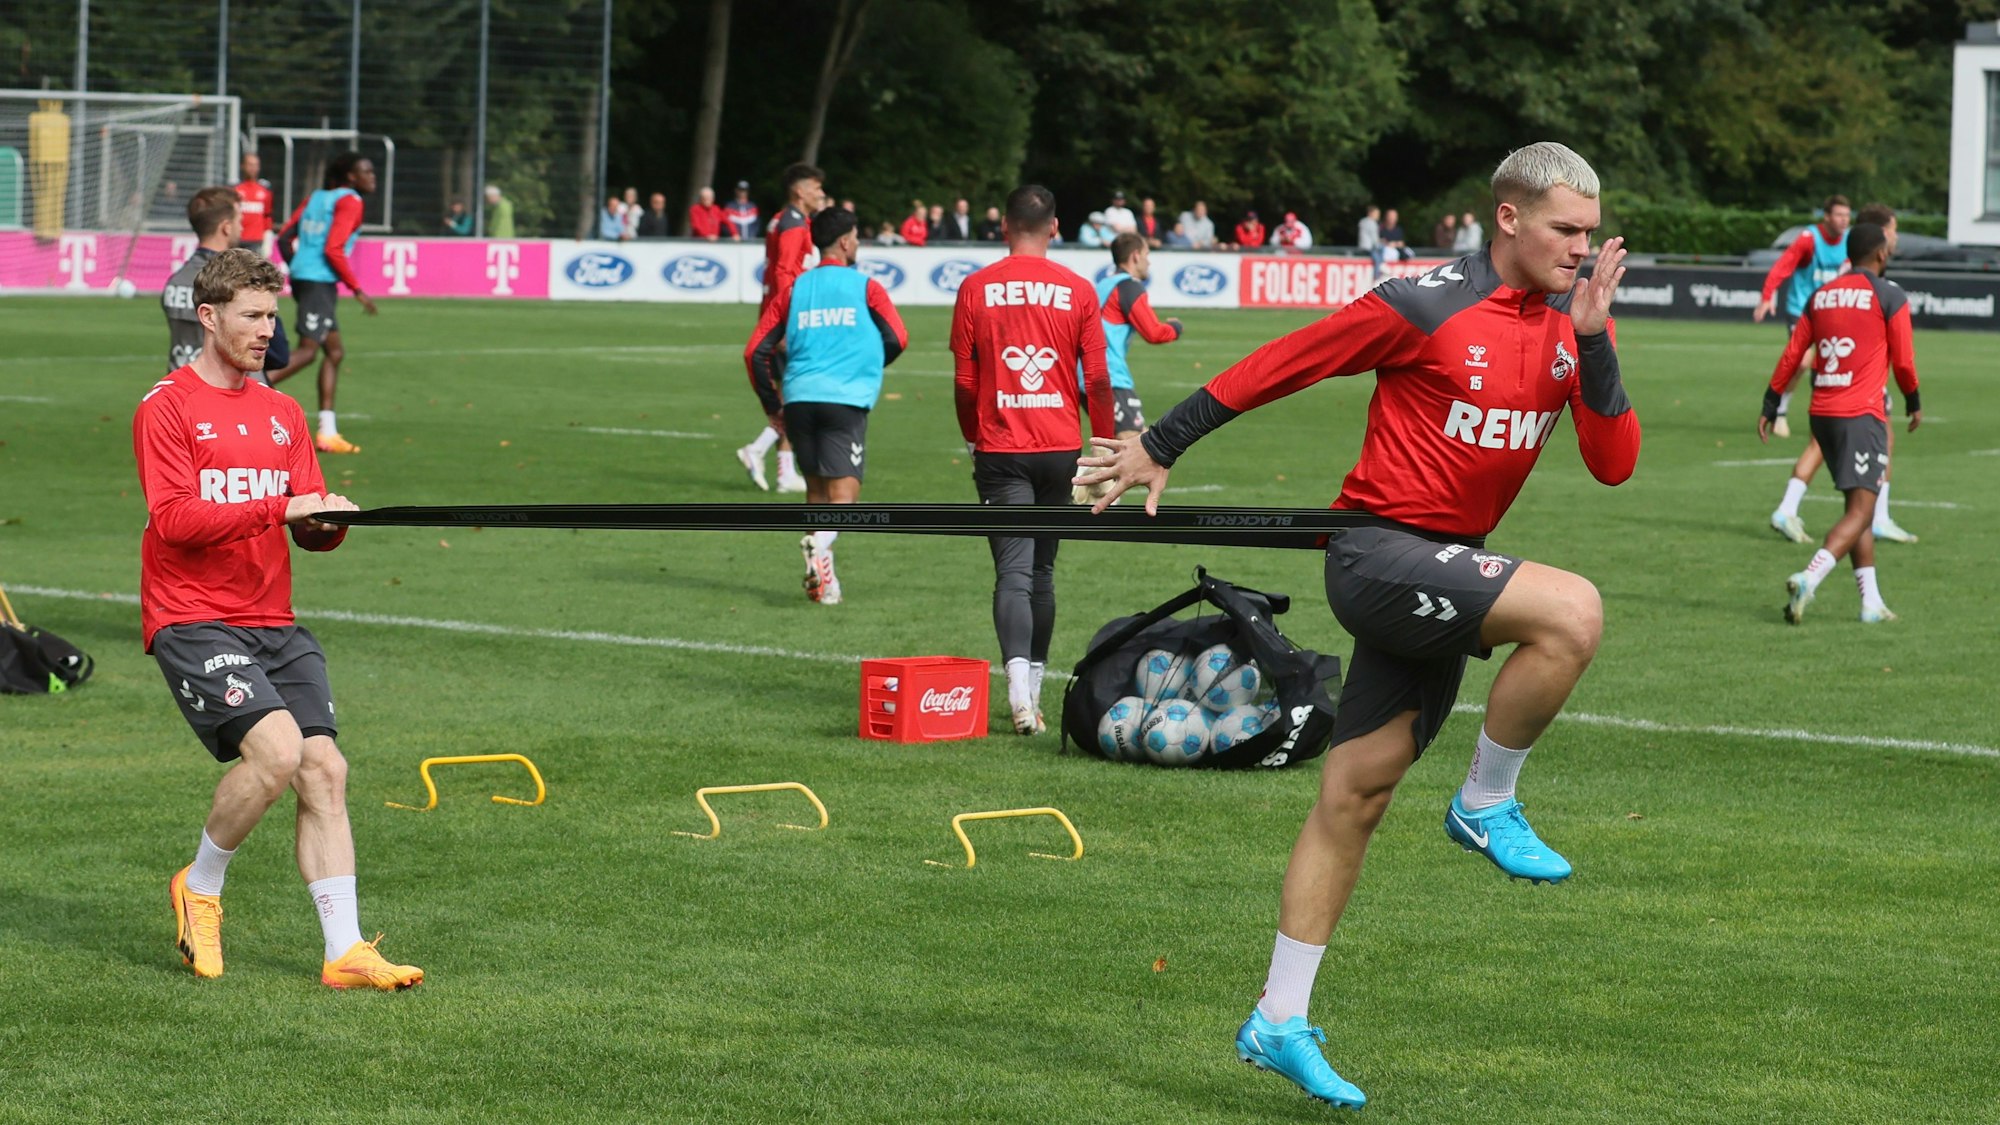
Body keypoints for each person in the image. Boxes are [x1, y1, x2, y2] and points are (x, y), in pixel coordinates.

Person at [1077, 141, 1639, 1108]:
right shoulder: (1423, 302)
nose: (1581, 248)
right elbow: (1284, 363)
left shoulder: (1573, 321)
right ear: (1508, 218)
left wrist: (1593, 342)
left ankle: (1277, 1018)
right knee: (1572, 610)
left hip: (1446, 569)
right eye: (1565, 229)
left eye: (1591, 232)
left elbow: (1614, 463)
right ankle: (1486, 803)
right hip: (1378, 557)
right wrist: (1160, 442)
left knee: (1355, 797)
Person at [137, 247, 423, 992]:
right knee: (277, 753)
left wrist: (327, 521)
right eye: (253, 316)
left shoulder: (283, 413)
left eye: (273, 315)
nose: (269, 330)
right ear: (209, 316)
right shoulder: (166, 406)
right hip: (193, 615)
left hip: (273, 617)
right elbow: (175, 520)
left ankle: (344, 950)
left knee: (325, 769)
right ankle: (200, 886)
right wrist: (283, 505)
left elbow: (305, 525)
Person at [951, 184, 1114, 735]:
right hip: (1060, 447)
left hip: (1001, 447)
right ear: (1055, 227)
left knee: (1014, 572)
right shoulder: (1078, 289)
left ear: (1003, 226)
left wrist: (972, 437)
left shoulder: (976, 287)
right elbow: (1097, 379)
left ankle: (1020, 696)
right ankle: (1035, 694)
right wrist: (1104, 447)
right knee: (1042, 571)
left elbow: (965, 381)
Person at [1760, 222, 1919, 625]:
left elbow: (1793, 353)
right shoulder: (1889, 295)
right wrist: (1913, 400)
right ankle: (1809, 577)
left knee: (1857, 507)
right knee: (1863, 511)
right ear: (1881, 254)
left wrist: (1772, 402)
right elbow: (1903, 360)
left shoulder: (1821, 295)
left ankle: (1871, 603)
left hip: (1822, 414)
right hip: (1860, 415)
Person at [748, 208, 909, 605]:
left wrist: (772, 405)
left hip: (799, 399)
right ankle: (818, 547)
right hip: (844, 399)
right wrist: (865, 366)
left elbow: (755, 351)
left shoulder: (795, 289)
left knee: (817, 494)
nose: (858, 243)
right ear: (844, 241)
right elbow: (898, 337)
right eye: (856, 236)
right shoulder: (866, 287)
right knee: (844, 499)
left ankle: (826, 582)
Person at [271, 152, 379, 455]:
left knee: (334, 352)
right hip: (318, 282)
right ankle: (252, 388)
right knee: (307, 351)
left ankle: (328, 433)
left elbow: (283, 238)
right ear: (351, 177)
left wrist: (298, 266)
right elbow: (334, 248)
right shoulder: (351, 200)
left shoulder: (316, 197)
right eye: (367, 171)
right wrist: (357, 289)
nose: (373, 177)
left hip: (307, 278)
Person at [735, 163, 827, 495]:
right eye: (816, 188)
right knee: (801, 397)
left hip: (779, 318)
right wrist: (788, 323)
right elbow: (785, 273)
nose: (821, 194)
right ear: (800, 191)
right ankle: (757, 449)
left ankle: (786, 472)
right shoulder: (793, 224)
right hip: (788, 322)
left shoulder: (784, 219)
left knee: (791, 396)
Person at [1071, 231, 1181, 505]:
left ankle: (1094, 490)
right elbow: (1153, 332)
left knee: (1116, 444)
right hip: (1109, 376)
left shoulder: (1102, 286)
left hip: (1083, 373)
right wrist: (1175, 328)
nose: (1149, 262)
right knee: (1137, 445)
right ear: (1135, 256)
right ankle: (1082, 478)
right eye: (1147, 255)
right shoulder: (1129, 287)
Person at [163, 187, 289, 383]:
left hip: (184, 384)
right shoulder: (238, 282)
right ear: (226, 227)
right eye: (239, 220)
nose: (242, 227)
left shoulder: (176, 281)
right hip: (229, 388)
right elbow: (279, 355)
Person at [1754, 195, 1851, 438]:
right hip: (1803, 310)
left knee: (1829, 367)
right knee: (1801, 362)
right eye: (1839, 215)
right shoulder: (1810, 239)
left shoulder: (1850, 240)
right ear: (1826, 217)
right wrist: (1767, 295)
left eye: (1847, 215)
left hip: (1833, 313)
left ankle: (1825, 416)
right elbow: (1783, 265)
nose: (1844, 220)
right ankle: (1780, 411)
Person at [232, 153, 274, 254]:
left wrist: (268, 235)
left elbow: (267, 215)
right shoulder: (235, 189)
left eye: (255, 165)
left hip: (256, 241)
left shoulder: (265, 190)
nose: (253, 168)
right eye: (250, 165)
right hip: (237, 239)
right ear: (243, 166)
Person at [1357, 205, 1382, 277]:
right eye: (1377, 214)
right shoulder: (1372, 223)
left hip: (1361, 246)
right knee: (1380, 253)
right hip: (1369, 248)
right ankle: (1377, 274)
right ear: (1371, 213)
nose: (1378, 216)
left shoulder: (1362, 221)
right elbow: (1374, 239)